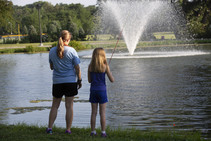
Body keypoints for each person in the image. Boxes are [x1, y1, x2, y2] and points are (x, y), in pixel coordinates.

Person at [46, 30, 82, 134]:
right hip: (70, 82)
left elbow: (51, 67)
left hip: (57, 82)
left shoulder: (52, 51)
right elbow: (77, 68)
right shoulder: (72, 51)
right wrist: (79, 80)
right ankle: (68, 129)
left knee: (55, 106)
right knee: (69, 106)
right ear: (68, 39)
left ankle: (49, 128)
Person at [88, 48, 114, 137]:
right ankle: (103, 132)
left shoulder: (90, 66)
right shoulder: (105, 66)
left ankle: (93, 131)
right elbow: (112, 80)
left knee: (93, 113)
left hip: (93, 91)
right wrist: (109, 71)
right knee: (102, 113)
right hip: (102, 91)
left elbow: (89, 80)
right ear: (103, 56)